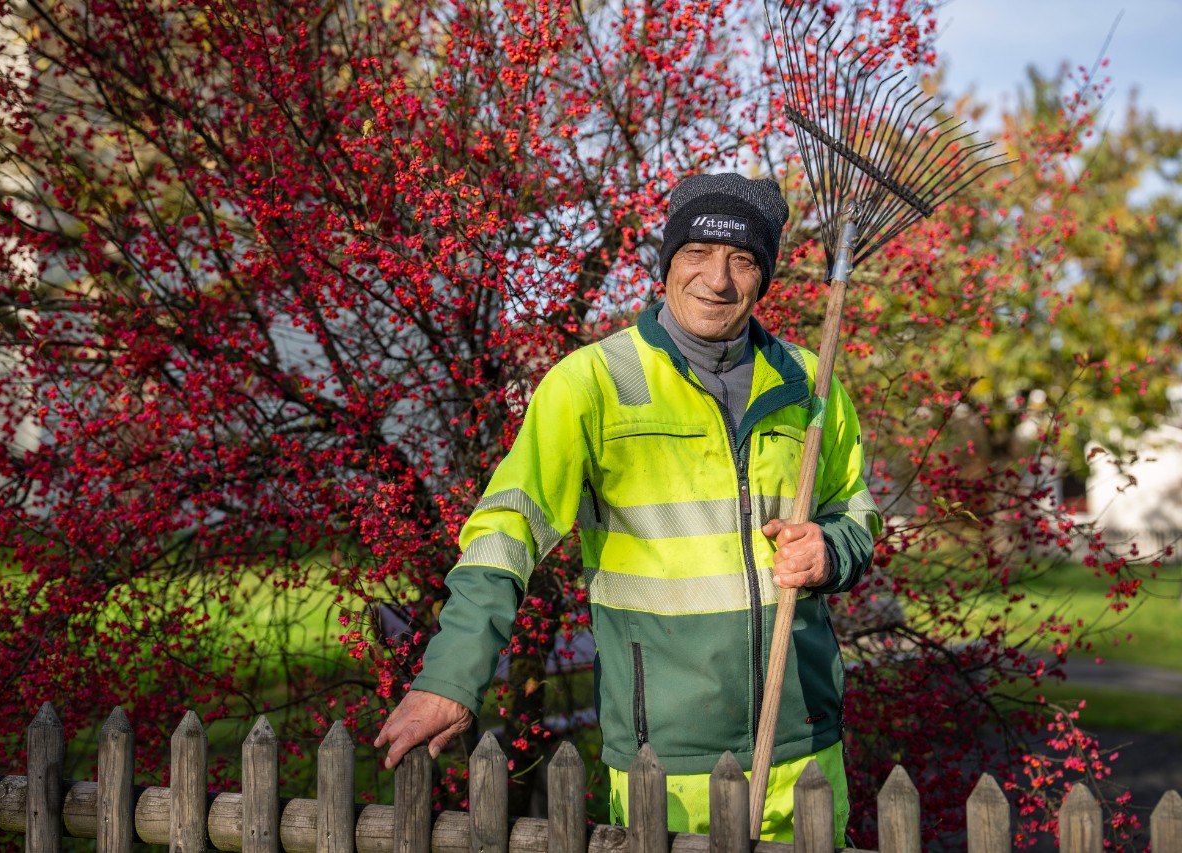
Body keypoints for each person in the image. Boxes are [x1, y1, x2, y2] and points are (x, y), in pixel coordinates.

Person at [374, 173, 881, 843]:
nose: (718, 279)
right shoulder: (591, 384)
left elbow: (858, 512)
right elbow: (507, 532)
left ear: (764, 278)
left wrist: (831, 549)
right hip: (660, 765)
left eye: (743, 259)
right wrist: (449, 677)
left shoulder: (807, 387)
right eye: (697, 252)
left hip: (804, 746)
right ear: (667, 263)